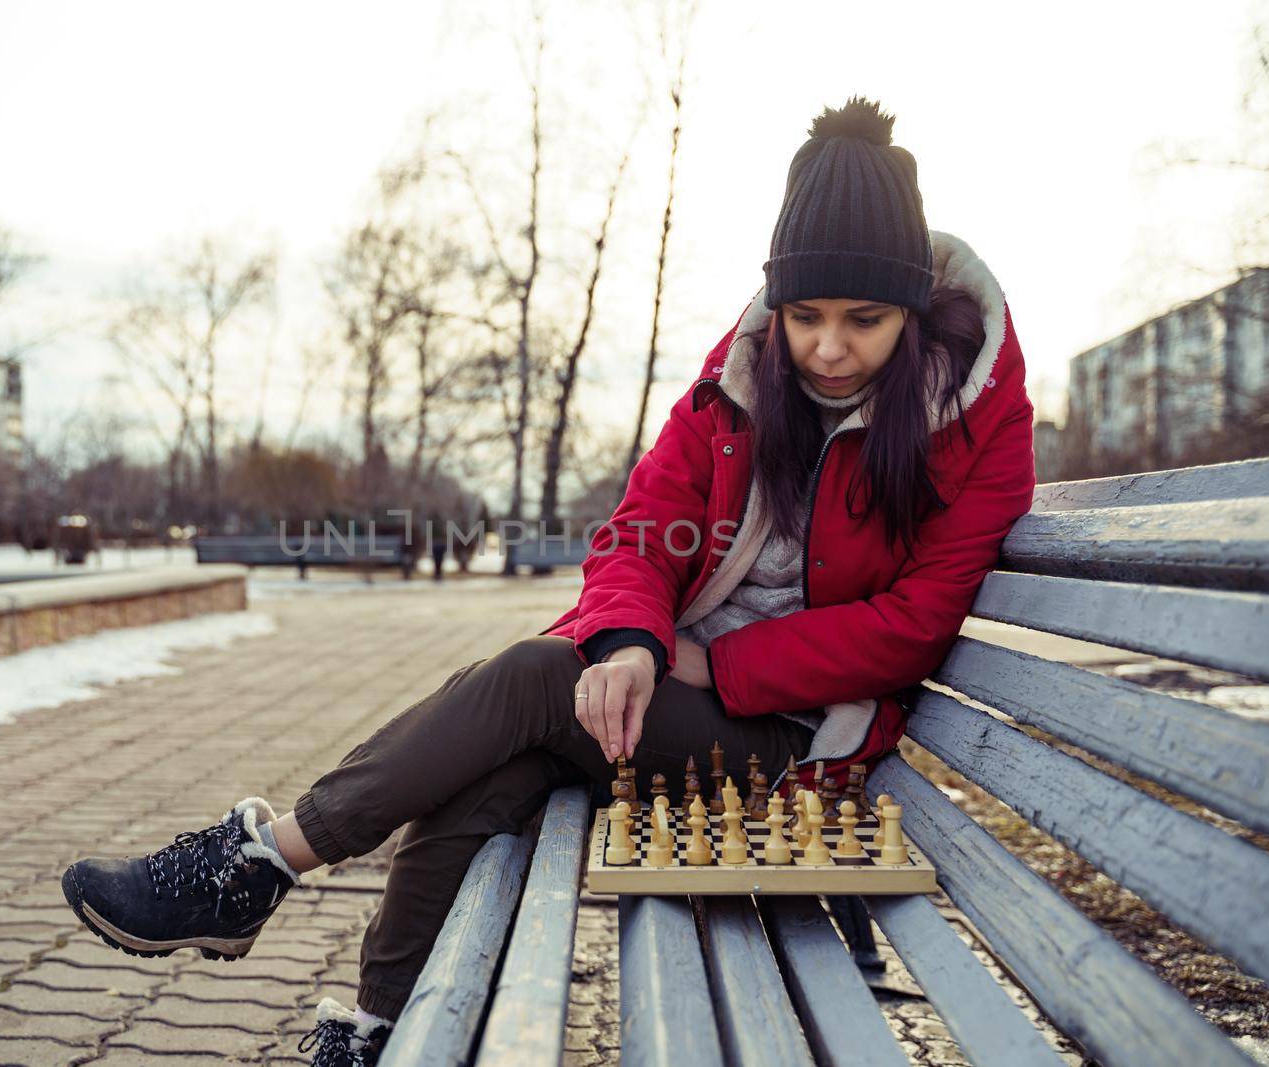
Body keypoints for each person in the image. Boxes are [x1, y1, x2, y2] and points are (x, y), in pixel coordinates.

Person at [61, 96, 1036, 1066]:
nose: (827, 347)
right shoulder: (737, 380)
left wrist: (711, 662)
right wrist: (628, 639)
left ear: (910, 312)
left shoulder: (977, 417)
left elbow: (914, 624)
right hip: (671, 697)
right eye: (803, 317)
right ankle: (384, 1030)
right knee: (488, 775)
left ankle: (261, 861)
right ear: (773, 309)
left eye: (862, 320)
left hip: (798, 736)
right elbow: (639, 531)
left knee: (533, 679)